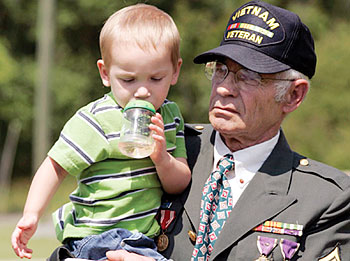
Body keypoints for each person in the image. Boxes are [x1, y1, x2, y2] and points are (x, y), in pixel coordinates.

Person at [106, 1, 350, 260]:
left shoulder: (326, 199)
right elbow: (86, 233)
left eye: (248, 76)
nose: (223, 88)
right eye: (221, 70)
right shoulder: (162, 146)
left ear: (293, 95)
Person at [11, 4, 191, 261]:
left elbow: (179, 183)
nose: (142, 91)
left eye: (156, 78)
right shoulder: (96, 119)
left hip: (141, 239)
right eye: (128, 80)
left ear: (175, 71)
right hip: (97, 234)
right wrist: (31, 213)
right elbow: (55, 166)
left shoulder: (170, 117)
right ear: (105, 73)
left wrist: (162, 158)